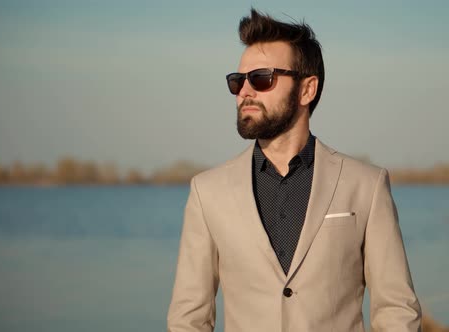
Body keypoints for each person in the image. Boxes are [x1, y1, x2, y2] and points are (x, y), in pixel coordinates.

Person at [167, 8, 421, 332]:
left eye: (261, 78)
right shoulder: (207, 192)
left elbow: (397, 310)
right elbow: (188, 319)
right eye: (237, 81)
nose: (245, 91)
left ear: (307, 89)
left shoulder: (366, 186)